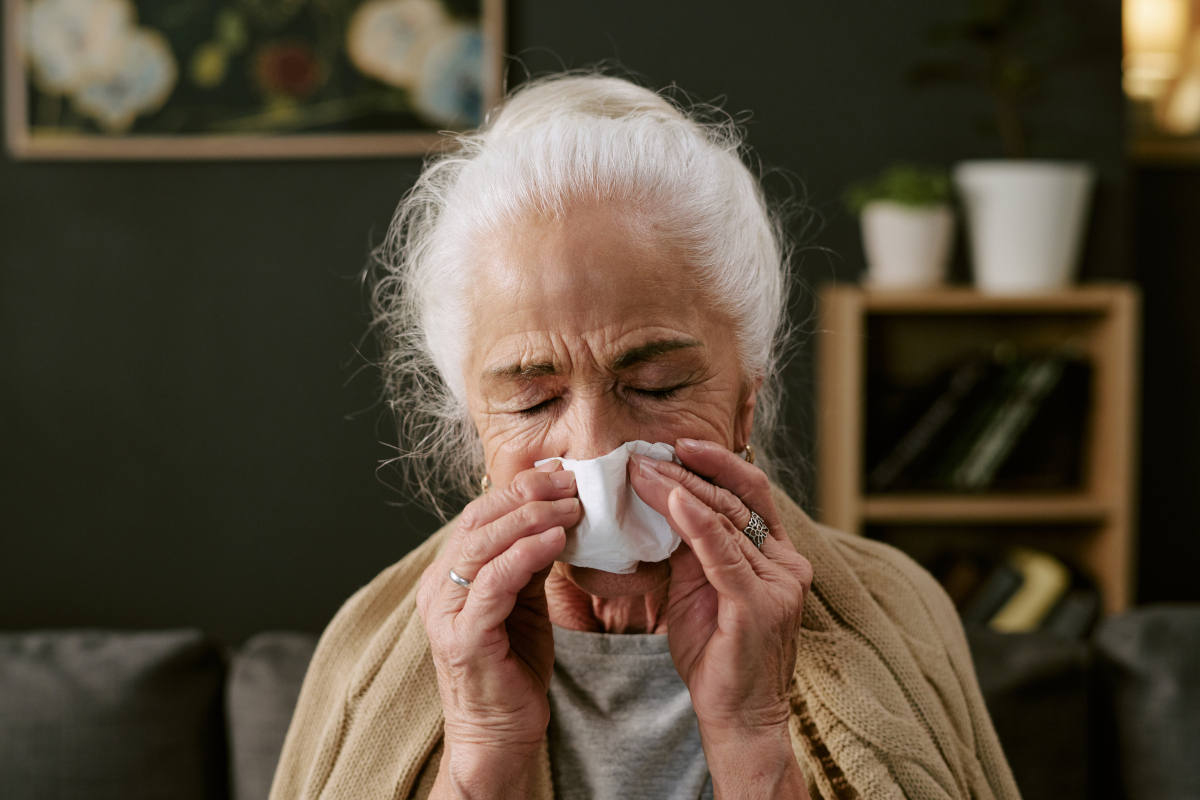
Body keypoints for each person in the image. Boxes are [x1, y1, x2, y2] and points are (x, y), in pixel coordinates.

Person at [269, 74, 1020, 800]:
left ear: (745, 402)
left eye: (657, 386)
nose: (595, 452)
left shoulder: (898, 615)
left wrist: (752, 737)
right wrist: (483, 751)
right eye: (532, 401)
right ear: (474, 427)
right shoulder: (365, 650)